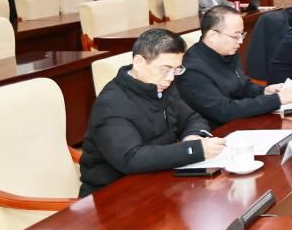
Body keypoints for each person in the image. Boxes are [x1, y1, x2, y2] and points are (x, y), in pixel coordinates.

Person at [79, 28, 224, 195]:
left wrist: (193, 136)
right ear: (139, 63)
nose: (171, 77)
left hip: (157, 181)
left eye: (177, 69)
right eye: (165, 69)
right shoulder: (111, 103)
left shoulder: (162, 86)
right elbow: (131, 158)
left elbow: (192, 119)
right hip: (112, 194)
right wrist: (193, 150)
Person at [176, 6, 292, 129]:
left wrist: (264, 91)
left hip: (241, 120)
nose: (241, 41)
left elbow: (242, 86)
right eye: (235, 36)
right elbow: (223, 111)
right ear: (212, 36)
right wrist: (275, 100)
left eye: (242, 34)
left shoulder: (227, 51)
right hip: (218, 131)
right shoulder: (192, 70)